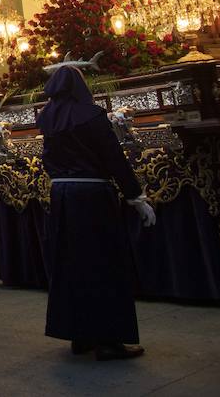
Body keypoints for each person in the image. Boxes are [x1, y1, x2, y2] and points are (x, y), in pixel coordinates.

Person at [39, 66, 155, 361]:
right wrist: (135, 195)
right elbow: (112, 157)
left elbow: (47, 160)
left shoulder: (48, 118)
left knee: (71, 265)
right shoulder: (91, 115)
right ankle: (108, 341)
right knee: (105, 264)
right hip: (92, 196)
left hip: (62, 196)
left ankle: (79, 334)